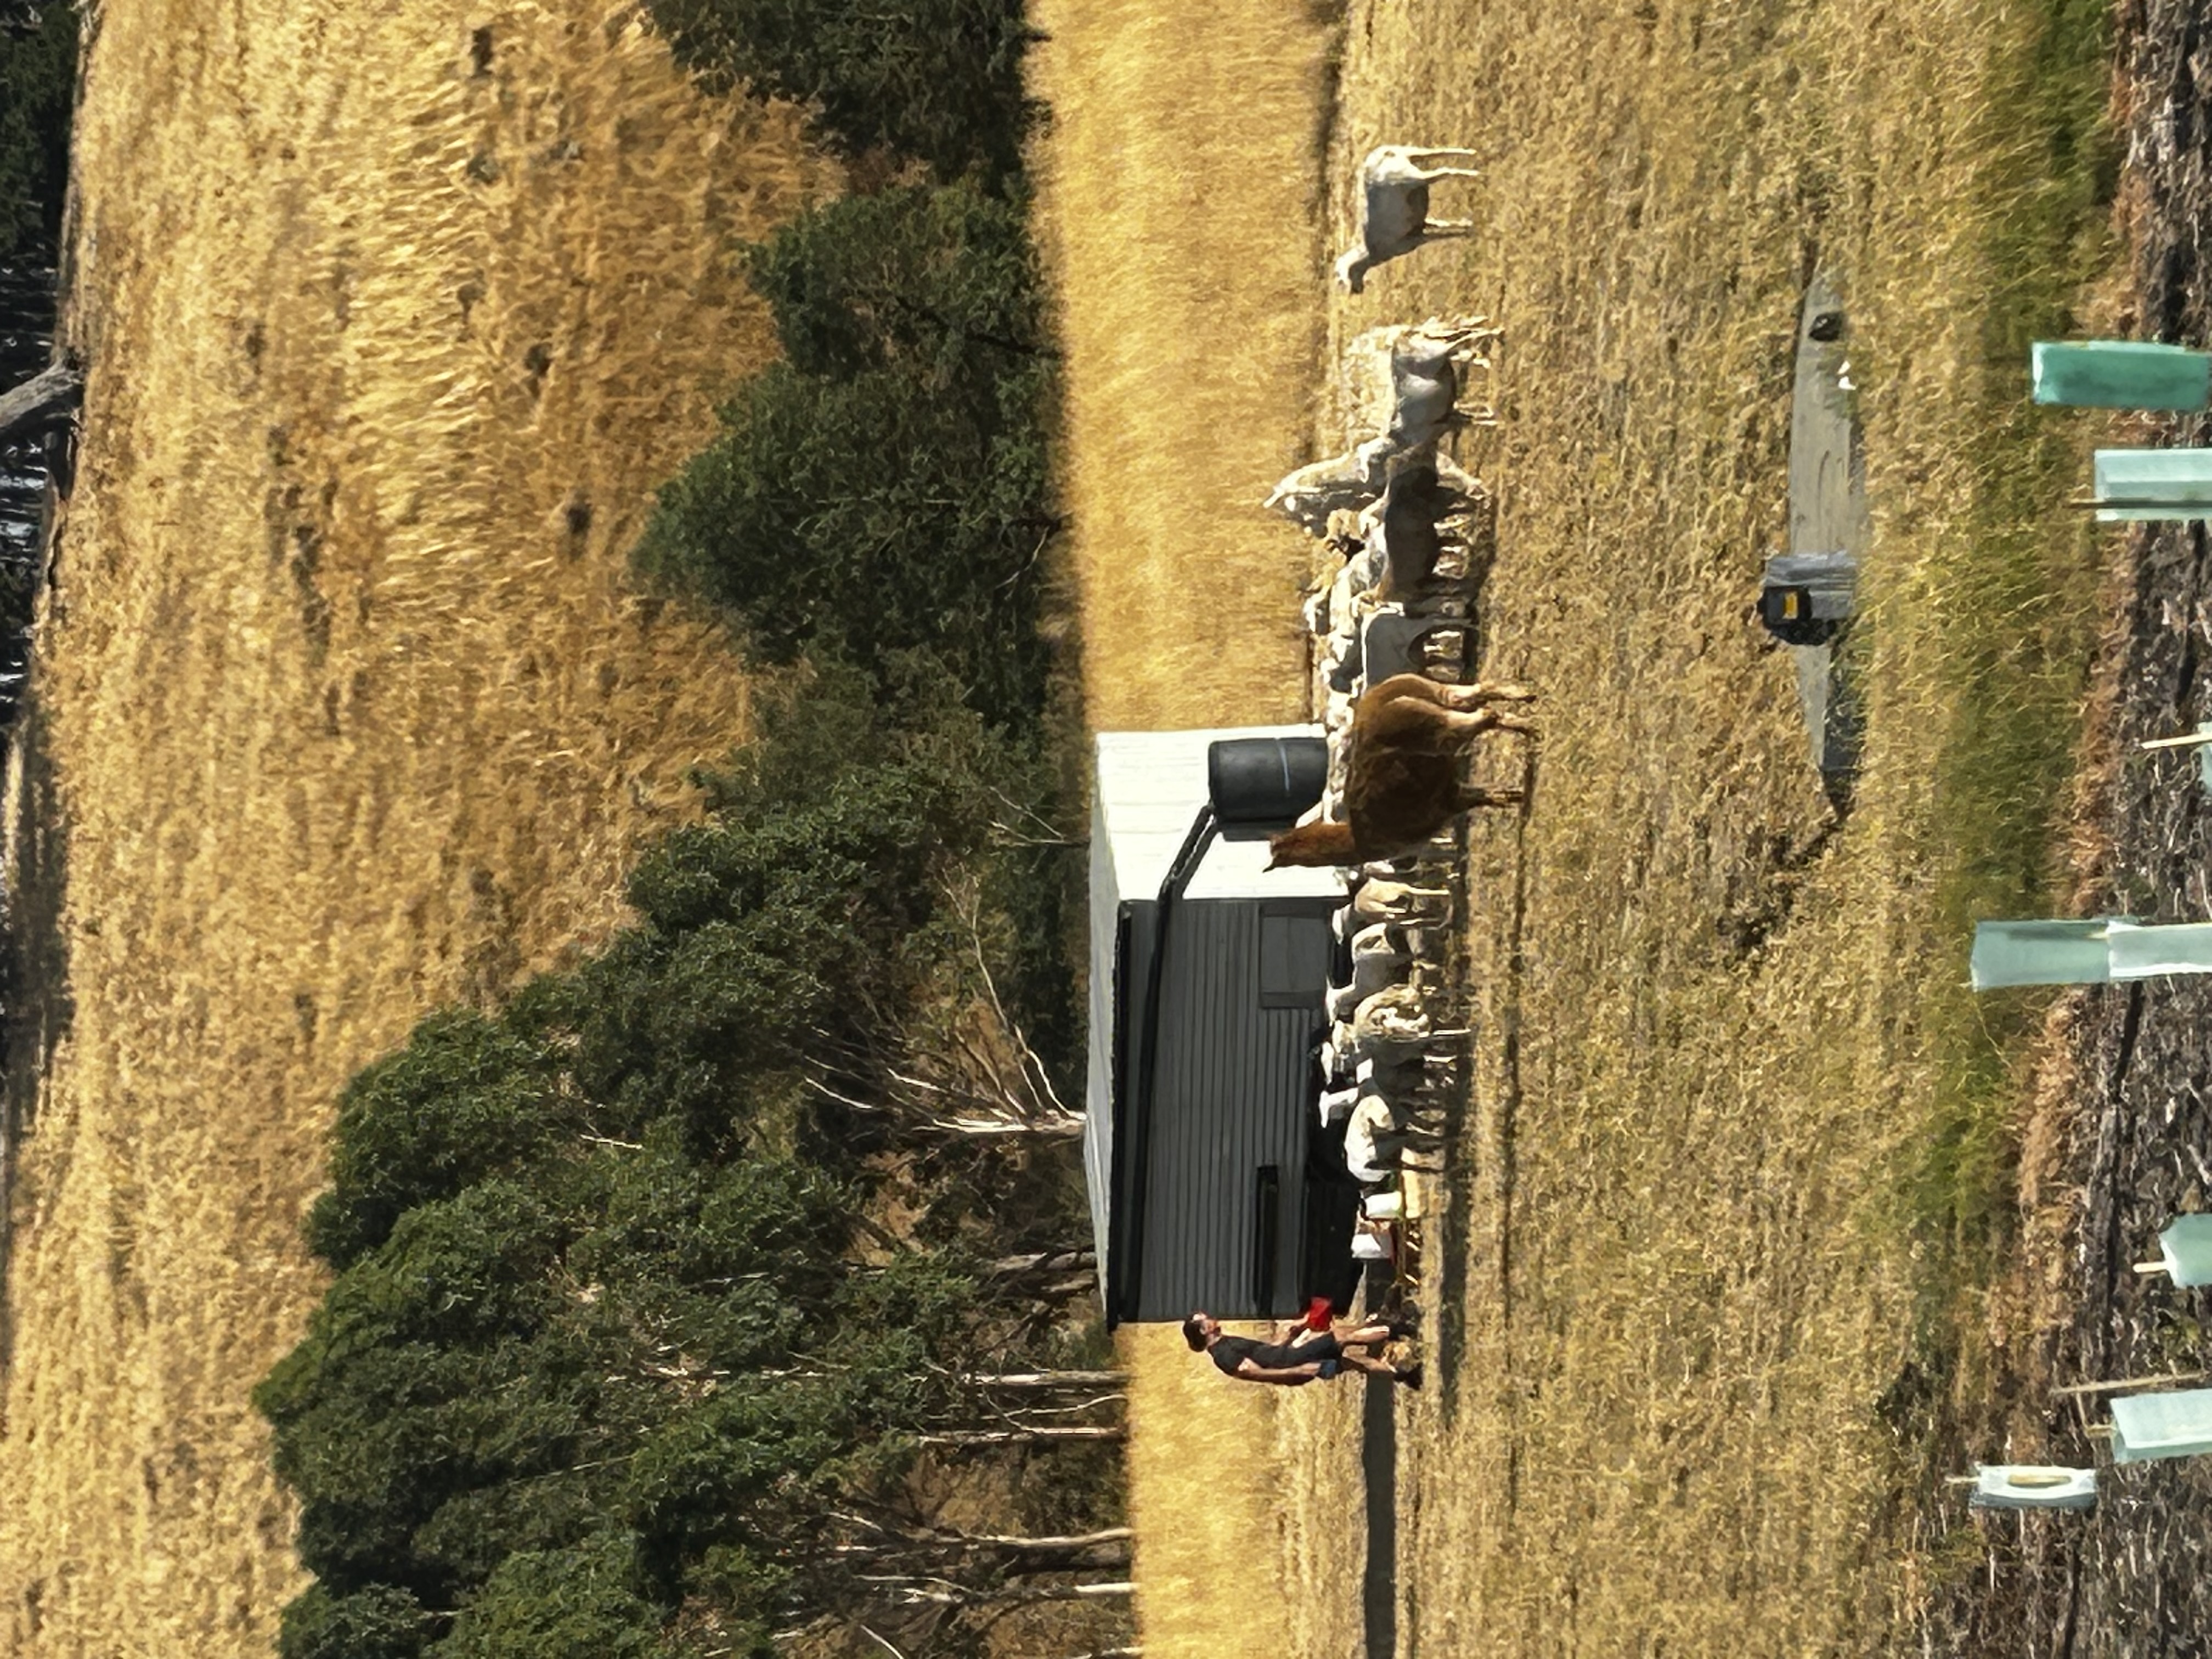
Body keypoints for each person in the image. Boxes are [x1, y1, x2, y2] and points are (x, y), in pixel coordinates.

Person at [1182, 1309, 1420, 1388]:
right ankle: (1398, 1328)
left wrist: (1290, 1333)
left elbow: (1267, 1354)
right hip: (1294, 1361)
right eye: (1205, 1319)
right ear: (1204, 1330)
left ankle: (1404, 1374)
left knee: (1351, 1363)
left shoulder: (1225, 1344)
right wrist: (1299, 1370)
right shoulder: (1223, 1355)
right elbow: (1258, 1373)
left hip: (1289, 1357)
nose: (1210, 1316)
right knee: (1340, 1336)